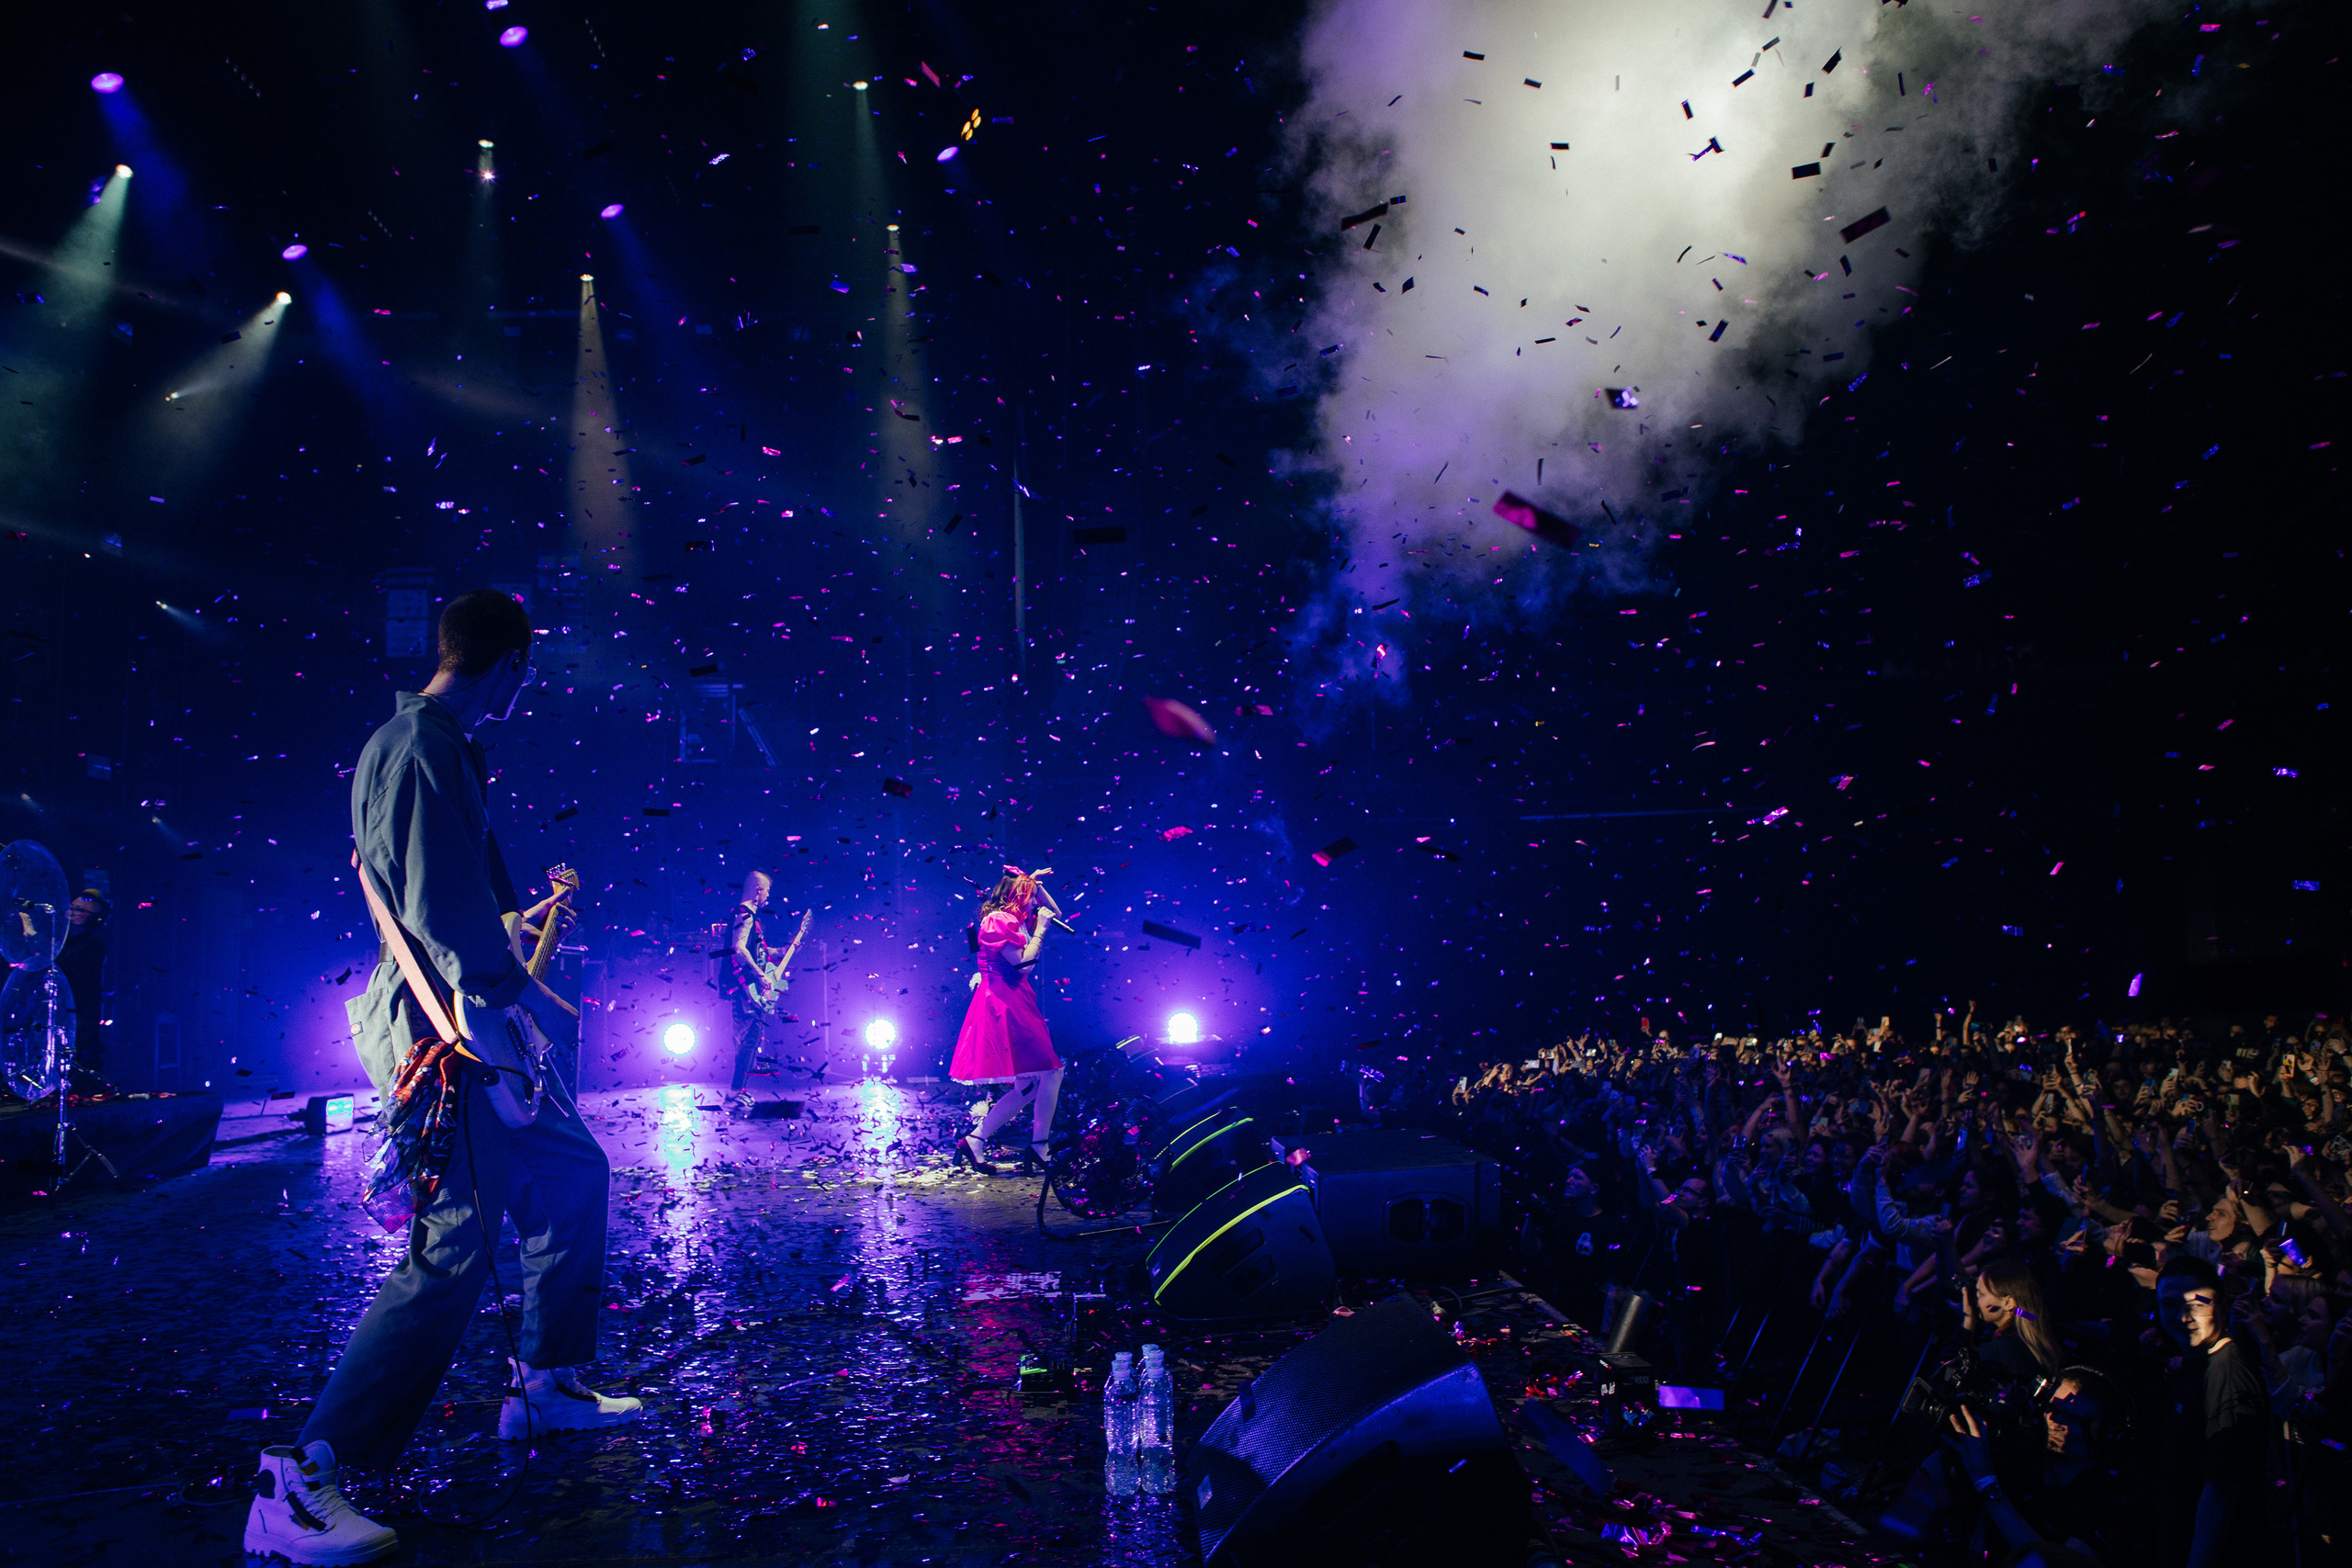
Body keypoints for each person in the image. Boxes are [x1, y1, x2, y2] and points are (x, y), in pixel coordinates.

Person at [245, 591, 642, 1567]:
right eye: (526, 677)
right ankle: (295, 1479)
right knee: (453, 1247)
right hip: (446, 1032)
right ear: (510, 668)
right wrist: (517, 998)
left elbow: (454, 901)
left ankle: (545, 1384)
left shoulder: (435, 745)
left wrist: (518, 940)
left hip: (469, 1014)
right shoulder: (420, 747)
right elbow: (444, 917)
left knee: (571, 1172)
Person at [2153, 1254, 2271, 1568]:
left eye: (2197, 1304)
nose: (2182, 1317)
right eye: (2169, 1305)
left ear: (2222, 1304)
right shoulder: (2198, 1363)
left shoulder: (2228, 1373)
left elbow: (2221, 1490)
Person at [948, 866, 1063, 1171]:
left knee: (1028, 1086)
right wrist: (1039, 930)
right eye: (1029, 897)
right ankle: (1040, 1147)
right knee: (1051, 1073)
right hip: (1003, 1002)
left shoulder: (1014, 918)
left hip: (1016, 999)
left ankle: (975, 1139)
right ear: (1016, 897)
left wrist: (1034, 883)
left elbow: (1054, 910)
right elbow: (1023, 965)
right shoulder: (998, 921)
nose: (1034, 904)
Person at [725, 869, 780, 1111]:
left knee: (751, 1038)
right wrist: (760, 975)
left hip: (749, 988)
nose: (768, 896)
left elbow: (759, 953)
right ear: (758, 890)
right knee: (748, 1038)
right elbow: (738, 948)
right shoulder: (744, 913)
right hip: (743, 987)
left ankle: (738, 1090)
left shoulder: (751, 917)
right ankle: (734, 1092)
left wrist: (786, 949)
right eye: (766, 890)